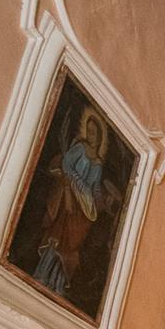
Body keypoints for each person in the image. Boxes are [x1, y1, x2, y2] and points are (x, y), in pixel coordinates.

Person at [34, 106, 118, 301]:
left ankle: (57, 282)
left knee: (72, 245)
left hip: (84, 206)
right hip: (70, 197)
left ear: (100, 136)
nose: (91, 135)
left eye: (94, 132)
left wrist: (99, 201)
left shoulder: (98, 162)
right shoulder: (80, 148)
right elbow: (66, 164)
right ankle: (42, 274)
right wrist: (75, 183)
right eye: (89, 131)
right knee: (59, 237)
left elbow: (95, 187)